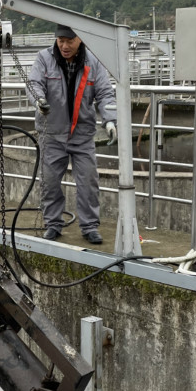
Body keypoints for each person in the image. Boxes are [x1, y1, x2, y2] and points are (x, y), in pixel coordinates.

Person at [27, 25, 117, 245]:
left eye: (70, 41)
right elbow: (33, 83)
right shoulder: (43, 58)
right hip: (52, 132)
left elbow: (105, 93)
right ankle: (53, 224)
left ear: (80, 39)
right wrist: (39, 101)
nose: (65, 46)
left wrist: (111, 120)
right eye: (60, 40)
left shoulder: (92, 62)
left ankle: (89, 227)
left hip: (82, 134)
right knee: (49, 182)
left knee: (88, 181)